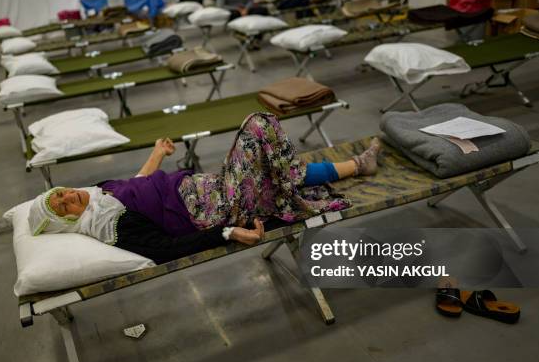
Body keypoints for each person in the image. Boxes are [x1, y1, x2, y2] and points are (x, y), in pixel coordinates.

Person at [28, 112, 380, 264]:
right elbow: (169, 248)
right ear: (69, 221)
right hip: (214, 209)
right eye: (63, 207)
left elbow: (138, 184)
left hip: (210, 186)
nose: (68, 197)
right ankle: (354, 168)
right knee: (258, 125)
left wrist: (157, 154)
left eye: (60, 192)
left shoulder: (101, 194)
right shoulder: (112, 226)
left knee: (274, 170)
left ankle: (358, 166)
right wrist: (229, 232)